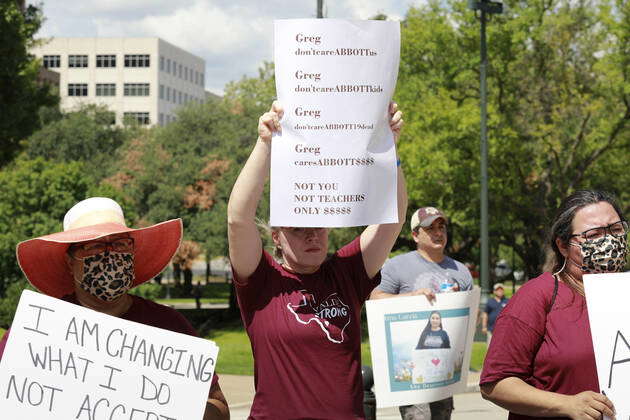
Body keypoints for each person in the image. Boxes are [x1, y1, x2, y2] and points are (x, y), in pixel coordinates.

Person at [227, 101, 406, 419]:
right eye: (298, 229)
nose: (312, 236)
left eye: (318, 227)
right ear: (277, 236)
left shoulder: (347, 271)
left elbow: (392, 219)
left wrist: (388, 149)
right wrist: (265, 144)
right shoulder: (261, 281)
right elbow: (238, 219)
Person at [0, 197, 229, 420]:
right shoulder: (36, 328)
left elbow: (218, 406)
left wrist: (174, 408)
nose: (109, 255)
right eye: (94, 246)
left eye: (120, 243)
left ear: (132, 253)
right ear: (70, 263)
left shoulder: (170, 325)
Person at [480, 190, 627, 420]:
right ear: (563, 246)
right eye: (594, 234)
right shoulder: (537, 296)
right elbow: (495, 383)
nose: (609, 240)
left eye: (616, 229)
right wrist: (567, 405)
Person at [371, 206, 473, 420]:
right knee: (419, 416)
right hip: (412, 366)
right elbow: (375, 300)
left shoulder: (461, 271)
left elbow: (467, 319)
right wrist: (410, 298)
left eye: (441, 227)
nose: (438, 233)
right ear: (415, 235)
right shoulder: (396, 266)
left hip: (444, 367)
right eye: (430, 228)